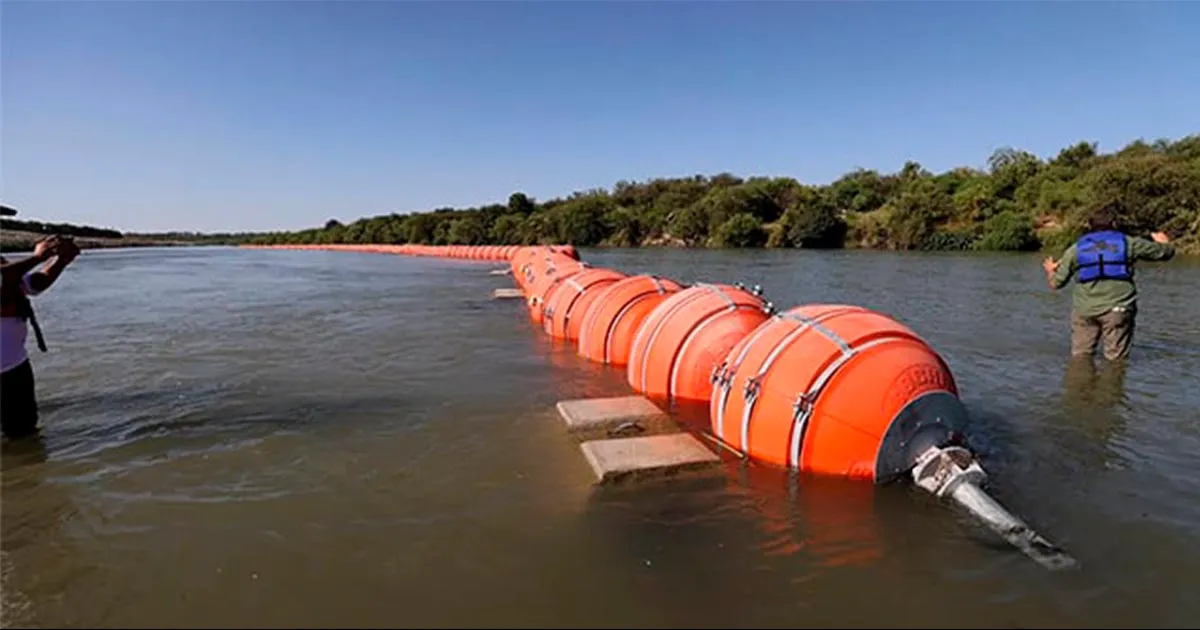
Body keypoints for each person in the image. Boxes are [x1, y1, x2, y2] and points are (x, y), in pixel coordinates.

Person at [1042, 206, 1175, 361]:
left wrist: (1050, 270)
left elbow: (1056, 283)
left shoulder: (1076, 249)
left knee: (1081, 358)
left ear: (1090, 226)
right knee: (1116, 361)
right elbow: (1164, 253)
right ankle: (1113, 384)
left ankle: (1080, 383)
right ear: (1114, 224)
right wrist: (1165, 243)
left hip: (1085, 310)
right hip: (1118, 308)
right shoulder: (1129, 243)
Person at [1, 231, 80, 440]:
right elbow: (3, 279)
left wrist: (60, 261)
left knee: (24, 436)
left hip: (14, 368)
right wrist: (38, 257)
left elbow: (31, 284)